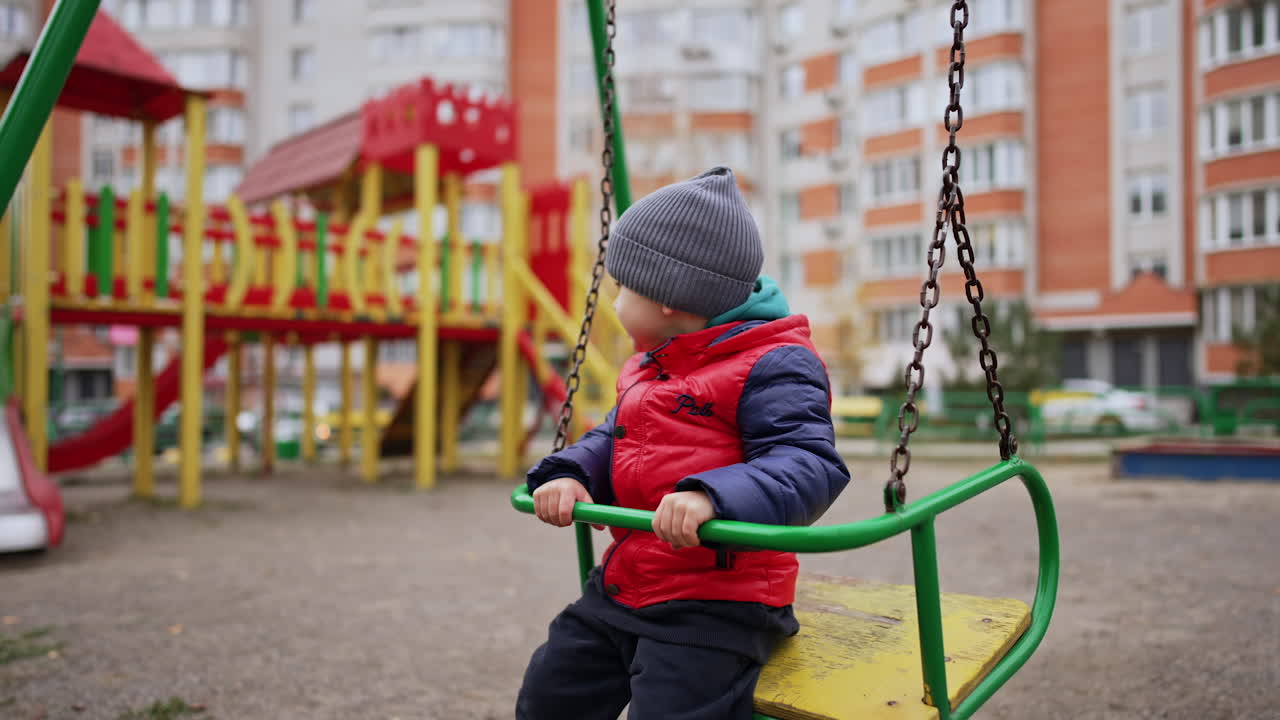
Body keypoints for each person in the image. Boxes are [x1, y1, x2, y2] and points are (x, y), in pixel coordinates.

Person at [517, 166, 850, 720]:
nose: (614, 301)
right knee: (551, 690)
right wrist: (570, 473)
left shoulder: (773, 363)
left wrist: (711, 496)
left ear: (668, 298)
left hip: (720, 600)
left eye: (622, 288)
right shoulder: (652, 365)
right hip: (631, 580)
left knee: (675, 708)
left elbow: (808, 461)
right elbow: (613, 437)